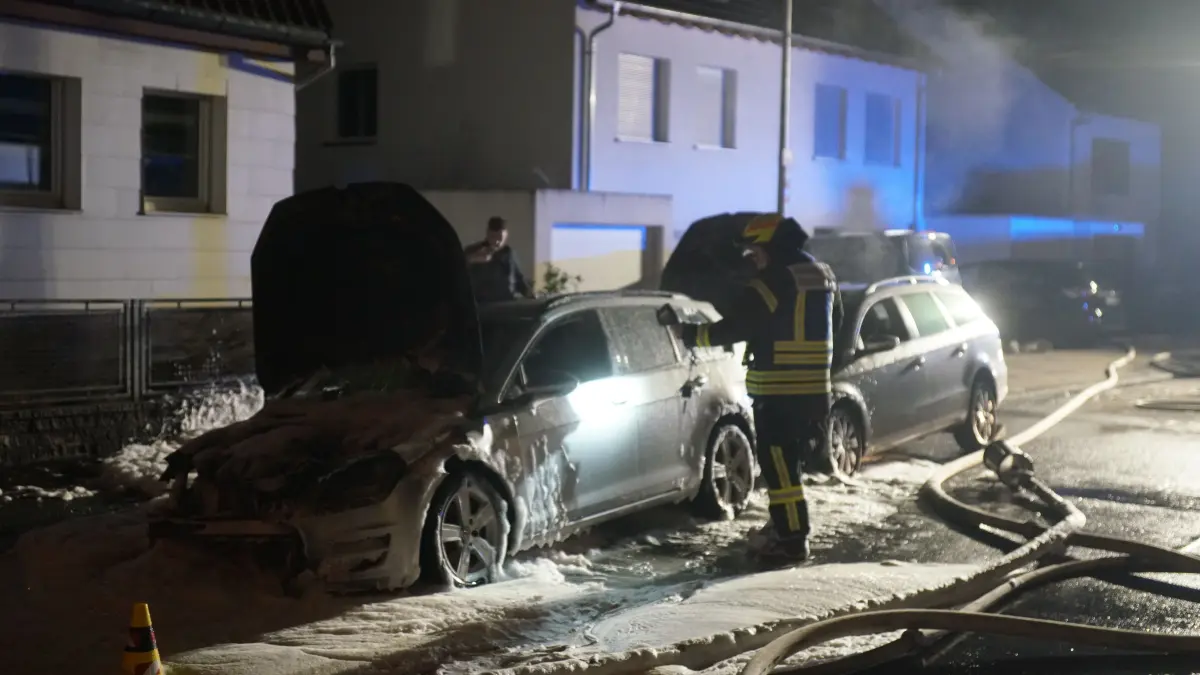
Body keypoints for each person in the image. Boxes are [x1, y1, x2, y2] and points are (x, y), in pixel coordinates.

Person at [674, 214, 843, 564]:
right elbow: (836, 321)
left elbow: (738, 325)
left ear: (772, 247)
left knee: (781, 471)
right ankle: (783, 527)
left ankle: (792, 541)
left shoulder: (773, 280)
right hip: (814, 390)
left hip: (780, 392)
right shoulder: (821, 274)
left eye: (755, 252)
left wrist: (692, 335)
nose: (753, 259)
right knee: (789, 467)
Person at [464, 216, 532, 303]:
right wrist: (473, 259)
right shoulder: (473, 250)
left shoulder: (509, 253)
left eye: (500, 238)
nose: (497, 241)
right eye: (493, 237)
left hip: (508, 303)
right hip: (483, 304)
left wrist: (530, 294)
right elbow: (457, 272)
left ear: (506, 235)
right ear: (487, 233)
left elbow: (518, 278)